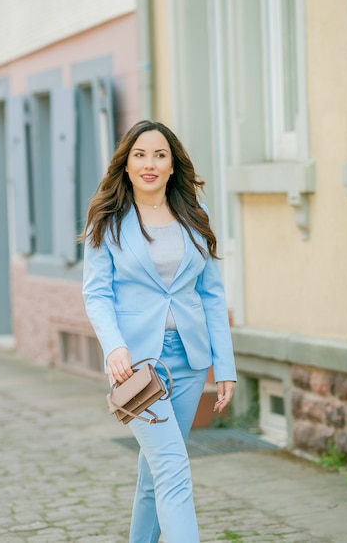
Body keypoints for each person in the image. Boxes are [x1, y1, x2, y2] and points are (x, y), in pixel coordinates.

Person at [81, 120, 236, 543]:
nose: (149, 163)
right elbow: (96, 294)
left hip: (187, 361)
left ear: (172, 167)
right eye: (140, 155)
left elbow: (211, 296)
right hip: (136, 366)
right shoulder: (108, 220)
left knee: (155, 472)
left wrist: (225, 366)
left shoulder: (193, 218)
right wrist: (114, 347)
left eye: (160, 155)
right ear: (126, 166)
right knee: (172, 465)